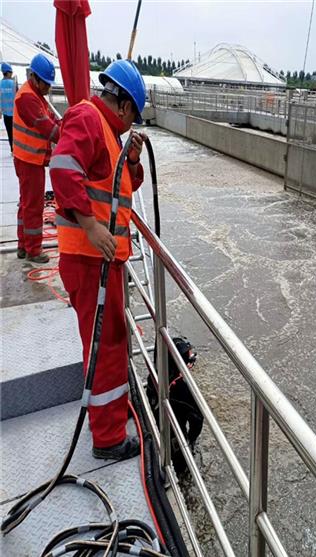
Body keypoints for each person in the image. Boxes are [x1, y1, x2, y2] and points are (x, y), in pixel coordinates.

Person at [50, 60, 147, 460]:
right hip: (90, 259)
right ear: (123, 106)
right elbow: (62, 167)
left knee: (111, 340)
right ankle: (107, 438)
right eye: (133, 116)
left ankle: (113, 411)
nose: (131, 124)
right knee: (105, 346)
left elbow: (118, 183)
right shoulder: (89, 119)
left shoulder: (108, 133)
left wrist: (134, 159)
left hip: (103, 260)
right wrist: (90, 226)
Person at [13, 53, 60, 263]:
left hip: (28, 159)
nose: (48, 88)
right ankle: (33, 250)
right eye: (46, 83)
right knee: (33, 206)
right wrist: (71, 135)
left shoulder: (35, 95)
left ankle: (22, 245)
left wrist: (64, 122)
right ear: (35, 78)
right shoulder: (28, 98)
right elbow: (48, 129)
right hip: (29, 160)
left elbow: (51, 118)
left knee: (26, 203)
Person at [0, 62, 17, 152]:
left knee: (9, 132)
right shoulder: (13, 83)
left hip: (6, 113)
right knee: (16, 132)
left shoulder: (0, 84)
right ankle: (17, 149)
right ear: (9, 72)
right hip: (15, 113)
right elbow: (18, 98)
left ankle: (12, 149)